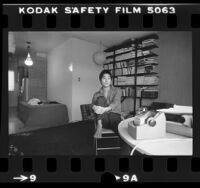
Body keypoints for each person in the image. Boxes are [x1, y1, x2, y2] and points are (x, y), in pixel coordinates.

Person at [92, 70, 122, 138]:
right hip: (103, 119)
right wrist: (94, 107)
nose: (106, 80)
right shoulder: (96, 94)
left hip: (114, 116)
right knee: (100, 99)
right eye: (104, 78)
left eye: (108, 78)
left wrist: (105, 109)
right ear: (100, 80)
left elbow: (116, 102)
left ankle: (121, 141)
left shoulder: (117, 90)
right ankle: (99, 125)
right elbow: (91, 105)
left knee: (113, 118)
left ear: (111, 80)